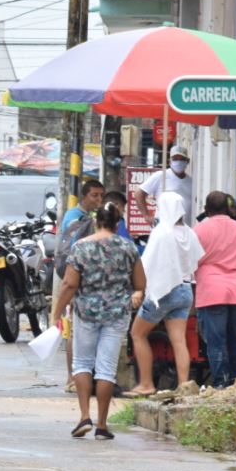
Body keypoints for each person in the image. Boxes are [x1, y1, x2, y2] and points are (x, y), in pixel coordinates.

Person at [50, 201, 145, 439]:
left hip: (86, 313)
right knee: (106, 369)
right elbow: (140, 284)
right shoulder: (128, 247)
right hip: (116, 314)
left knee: (82, 364)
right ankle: (102, 424)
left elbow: (70, 284)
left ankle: (84, 417)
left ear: (96, 221)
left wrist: (57, 312)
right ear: (116, 223)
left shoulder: (81, 247)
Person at [128, 192, 205, 397]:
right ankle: (183, 386)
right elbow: (195, 259)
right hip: (185, 290)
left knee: (138, 333)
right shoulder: (189, 232)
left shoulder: (162, 232)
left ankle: (146, 384)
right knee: (179, 340)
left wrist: (139, 289)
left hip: (164, 293)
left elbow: (148, 264)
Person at [195, 190, 236, 389]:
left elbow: (191, 261)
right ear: (228, 208)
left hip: (211, 292)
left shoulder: (200, 230)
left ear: (206, 209)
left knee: (216, 341)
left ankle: (221, 383)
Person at [56, 180, 105, 391]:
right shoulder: (75, 219)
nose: (99, 200)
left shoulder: (86, 218)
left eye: (101, 196)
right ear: (84, 196)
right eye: (94, 195)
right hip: (76, 281)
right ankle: (72, 377)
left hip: (87, 282)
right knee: (75, 331)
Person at [135, 145, 194, 226]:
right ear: (170, 161)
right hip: (163, 227)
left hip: (185, 227)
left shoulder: (191, 182)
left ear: (187, 161)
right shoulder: (161, 176)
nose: (179, 162)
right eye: (175, 159)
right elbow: (139, 193)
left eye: (182, 159)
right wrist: (146, 215)